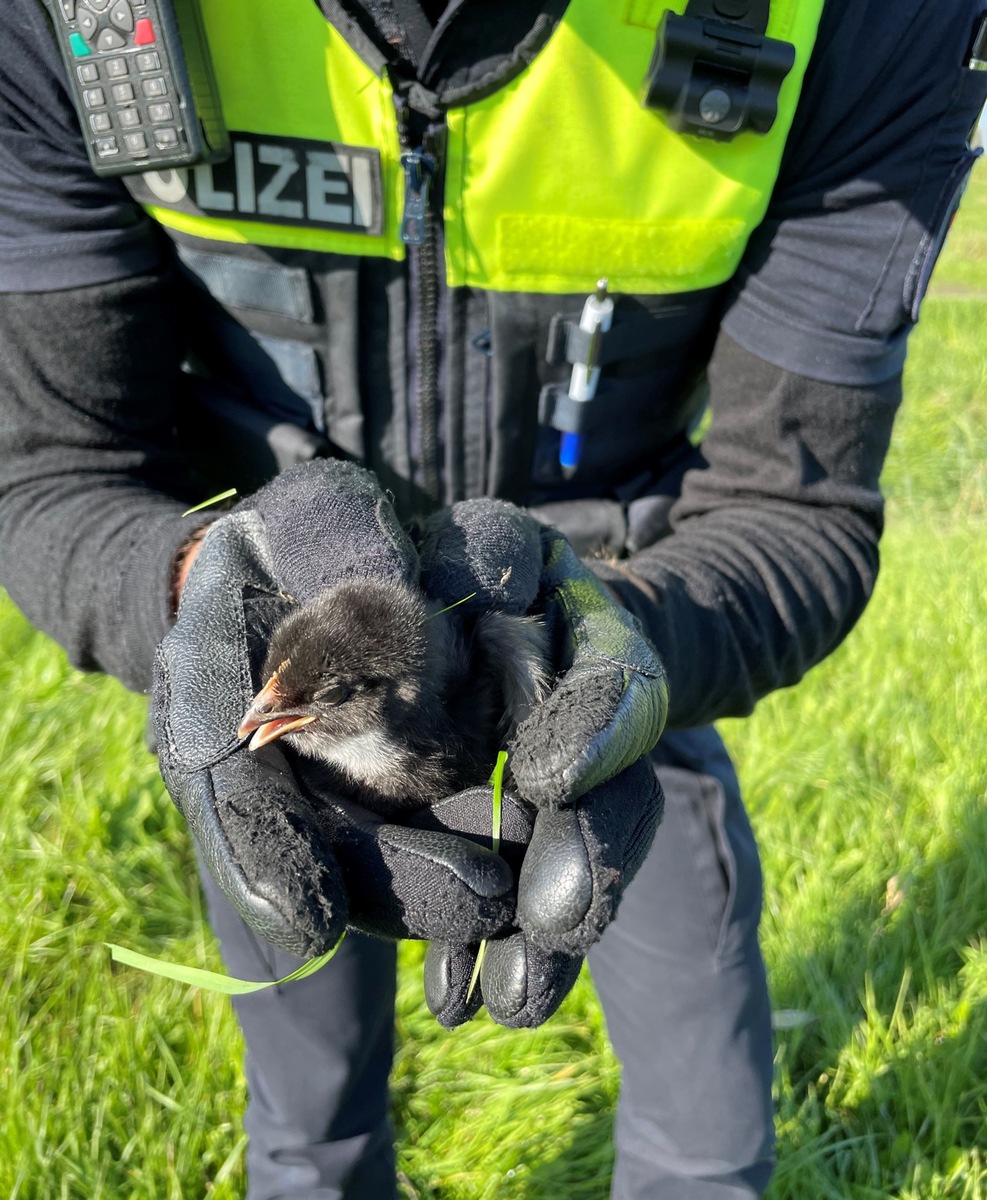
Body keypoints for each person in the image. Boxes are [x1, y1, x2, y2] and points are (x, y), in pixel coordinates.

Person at [1, 1, 984, 1196]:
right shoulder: (71, 16)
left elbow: (799, 502)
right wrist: (197, 596)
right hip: (277, 657)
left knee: (706, 1130)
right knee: (308, 1123)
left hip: (615, 656)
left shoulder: (863, 18)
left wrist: (626, 644)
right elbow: (59, 468)